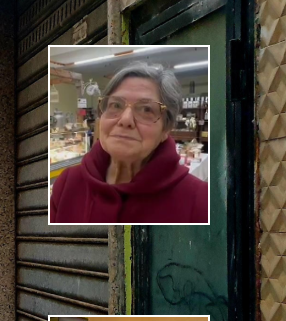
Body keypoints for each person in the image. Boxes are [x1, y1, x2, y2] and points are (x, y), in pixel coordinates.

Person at [50, 63, 208, 224]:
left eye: (146, 109)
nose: (125, 120)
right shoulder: (67, 184)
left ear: (165, 129)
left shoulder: (201, 202)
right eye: (115, 105)